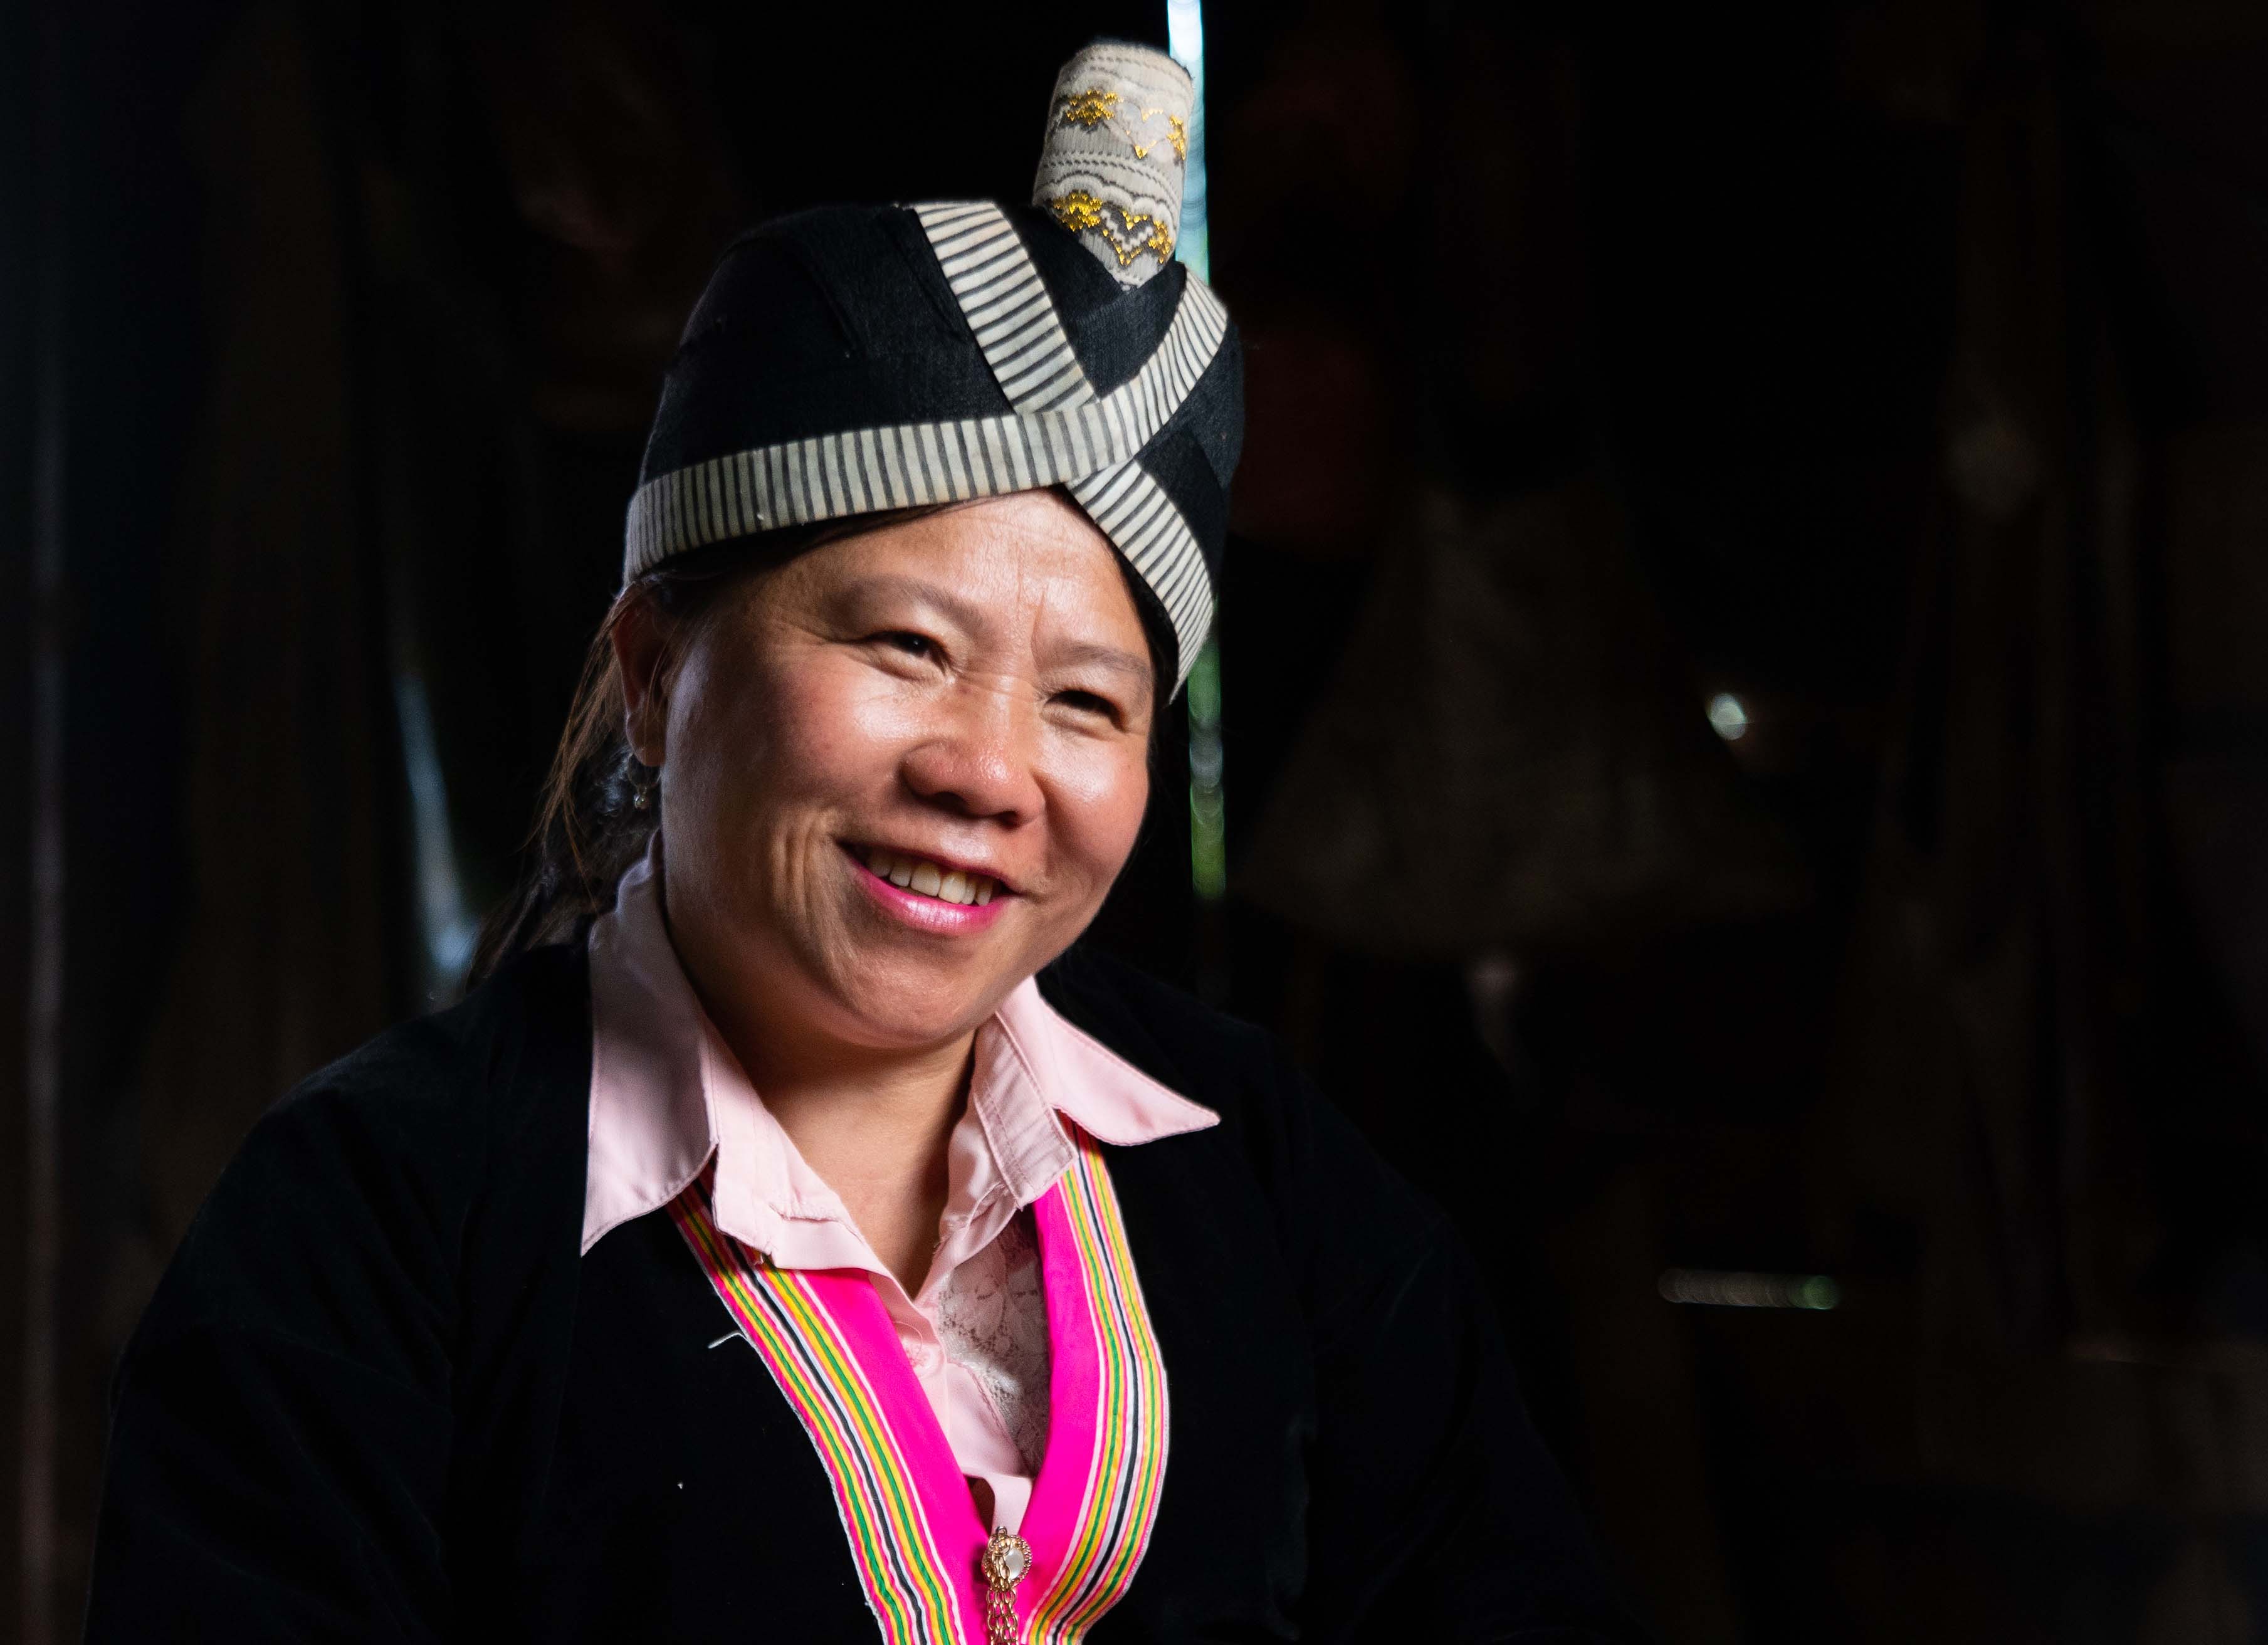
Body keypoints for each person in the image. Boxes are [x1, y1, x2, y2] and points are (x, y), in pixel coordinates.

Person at [85, 40, 1637, 1644]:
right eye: (905, 646)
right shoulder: (371, 1226)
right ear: (654, 672)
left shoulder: (1264, 1175)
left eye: (1088, 702)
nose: (990, 772)